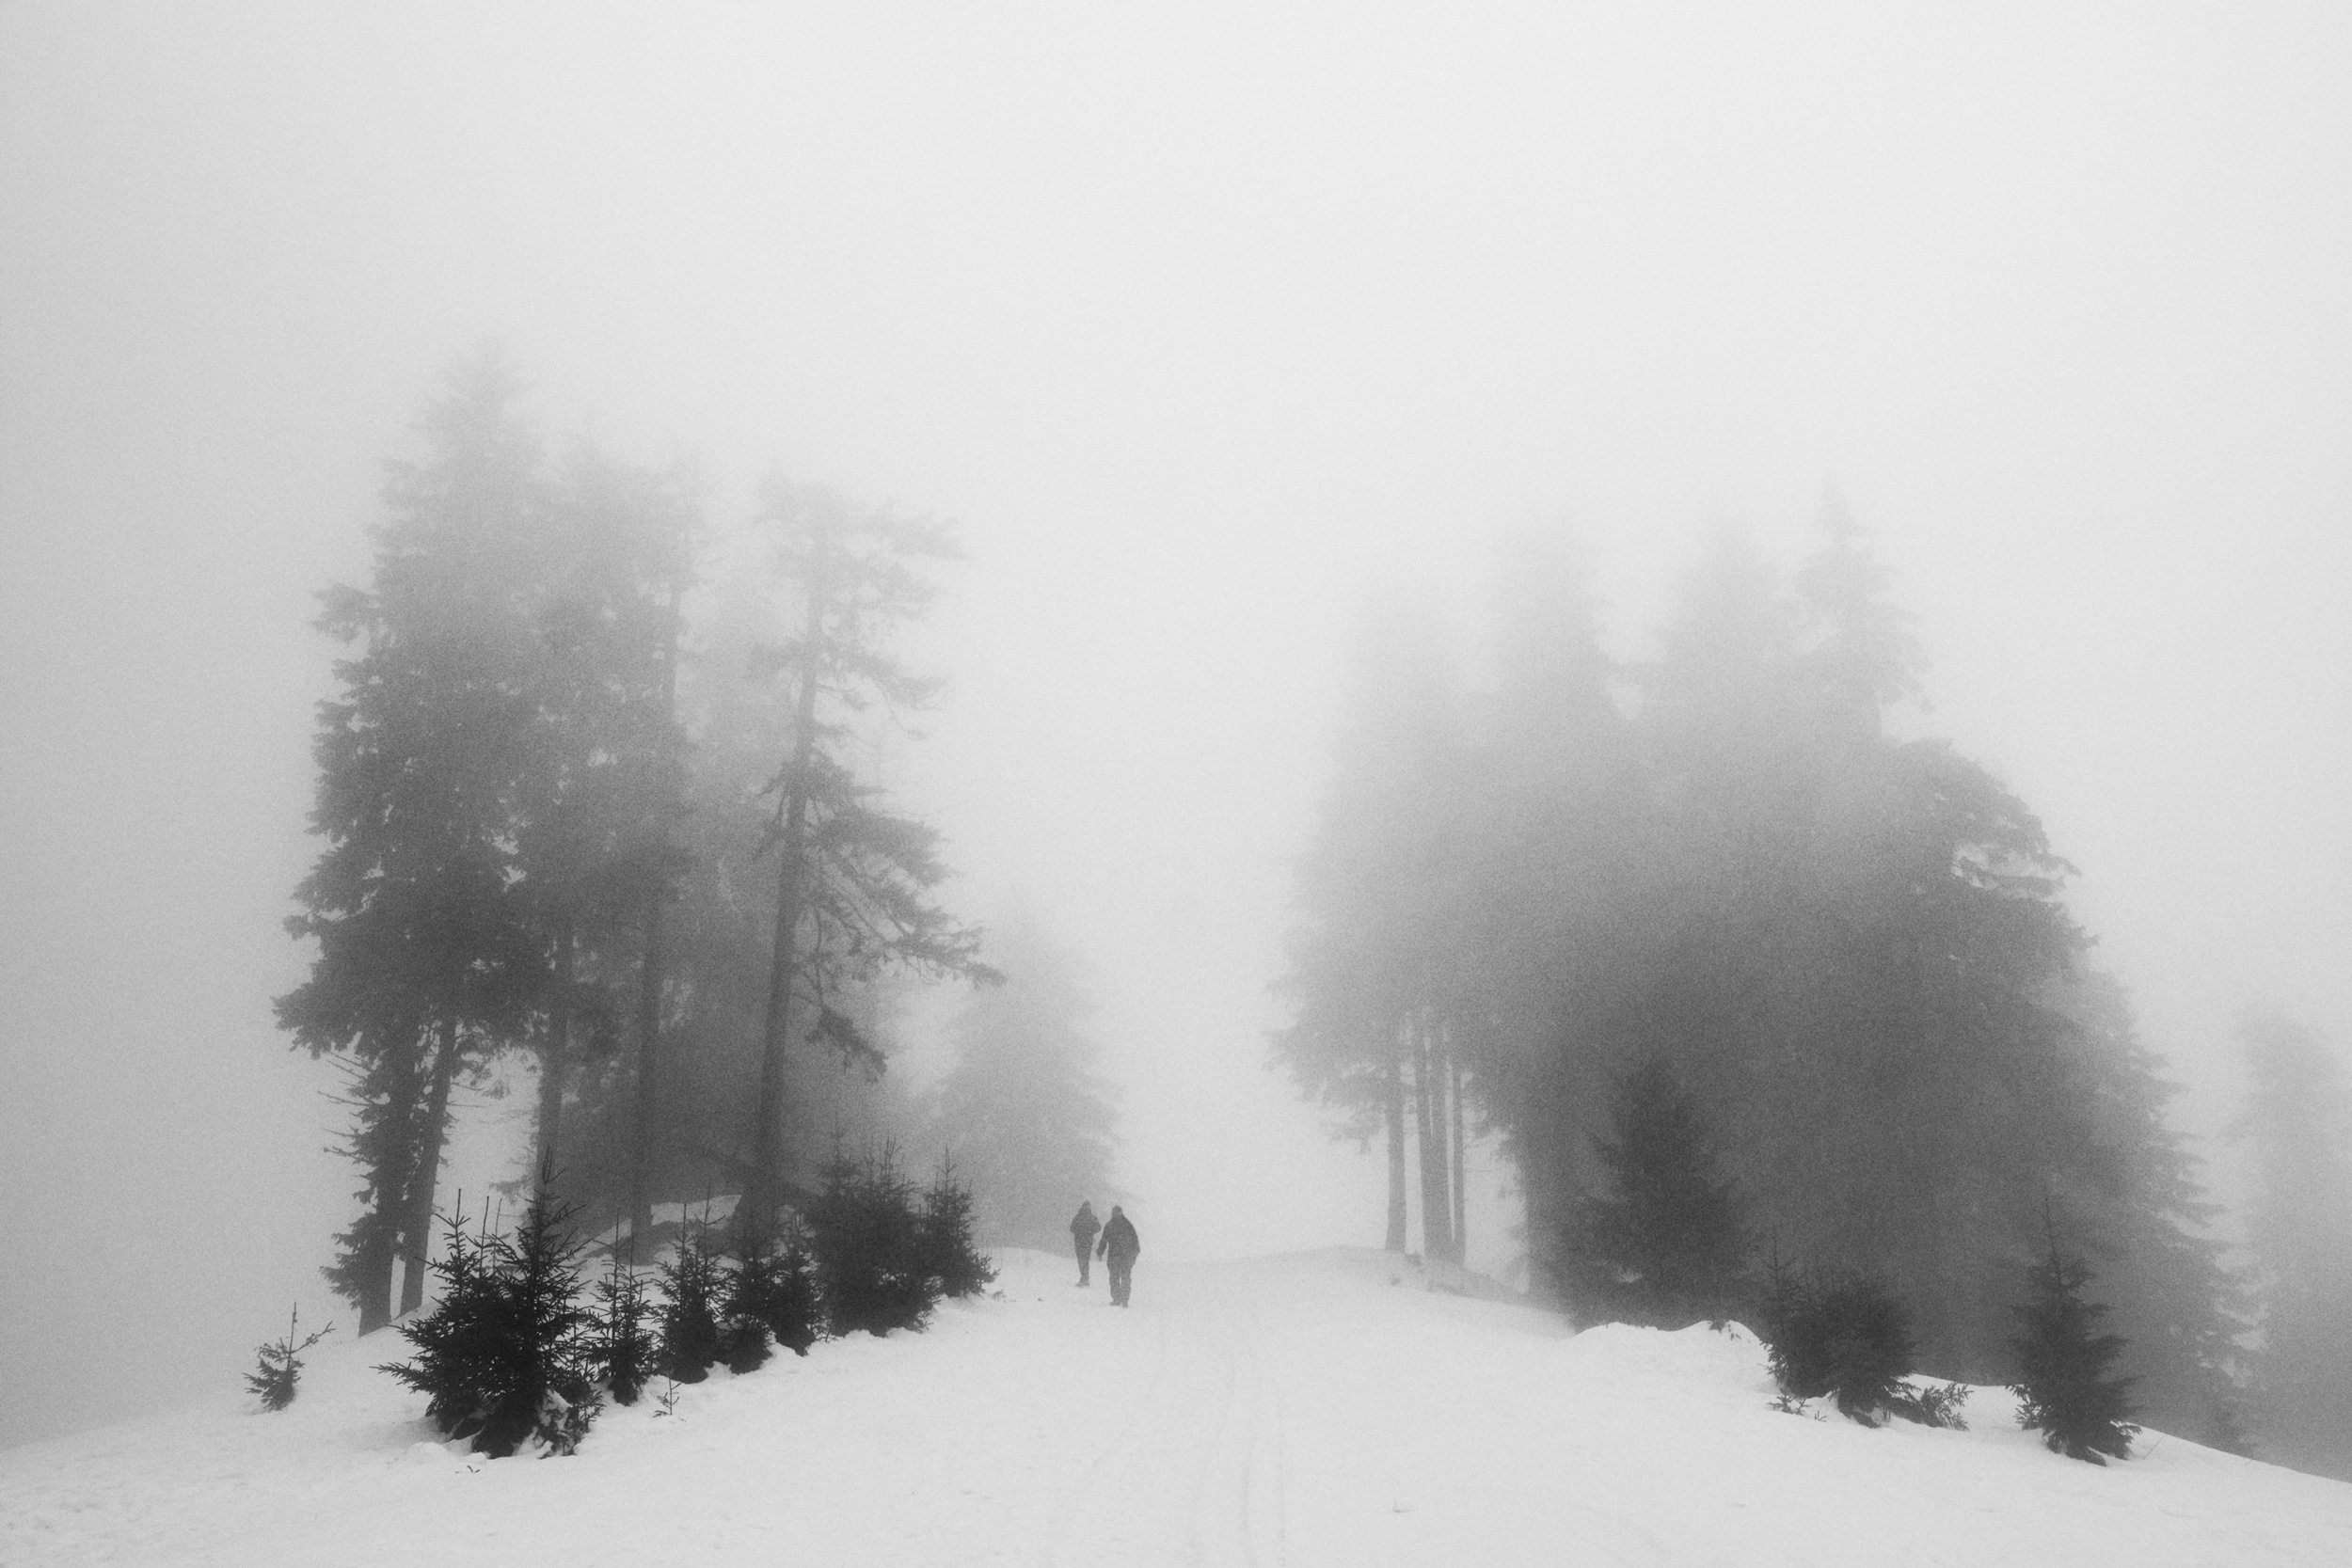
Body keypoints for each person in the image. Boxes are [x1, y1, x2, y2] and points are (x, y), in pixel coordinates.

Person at [1096, 1204, 1140, 1307]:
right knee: (1125, 1278)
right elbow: (1136, 1243)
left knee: (1114, 1278)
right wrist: (1133, 1256)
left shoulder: (1110, 1225)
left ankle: (1117, 1299)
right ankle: (1124, 1300)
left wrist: (1099, 1252)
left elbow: (1104, 1241)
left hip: (1114, 1256)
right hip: (1125, 1257)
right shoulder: (1128, 1225)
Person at [1069, 1200, 1101, 1287]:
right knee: (1085, 1260)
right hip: (1088, 1242)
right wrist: (1090, 1231)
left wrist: (1079, 1231)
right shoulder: (1092, 1217)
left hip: (1079, 1241)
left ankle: (1084, 1278)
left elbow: (1072, 1228)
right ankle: (1085, 1278)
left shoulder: (1078, 1217)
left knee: (1081, 1260)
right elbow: (1098, 1228)